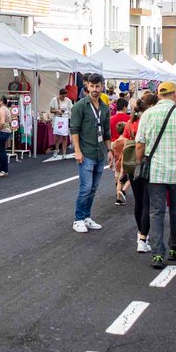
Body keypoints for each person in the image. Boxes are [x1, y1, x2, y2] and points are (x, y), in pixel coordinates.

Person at [135, 81, 176, 269]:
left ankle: (157, 253)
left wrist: (141, 162)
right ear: (175, 95)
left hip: (155, 172)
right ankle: (175, 247)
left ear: (158, 95)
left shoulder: (147, 115)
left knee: (156, 211)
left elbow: (139, 144)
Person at [69, 73, 112, 234]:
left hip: (100, 152)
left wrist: (109, 151)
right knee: (85, 187)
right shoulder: (80, 106)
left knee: (93, 188)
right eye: (92, 86)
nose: (94, 89)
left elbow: (106, 132)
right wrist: (77, 151)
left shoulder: (105, 108)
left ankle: (87, 216)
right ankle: (78, 219)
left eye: (97, 86)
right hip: (86, 153)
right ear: (87, 86)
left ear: (102, 86)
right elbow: (74, 130)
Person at [124, 93, 158, 251]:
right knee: (147, 202)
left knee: (138, 201)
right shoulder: (150, 121)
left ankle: (140, 234)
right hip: (147, 162)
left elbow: (124, 142)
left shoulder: (130, 123)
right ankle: (143, 238)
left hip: (131, 164)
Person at [47, 88, 73, 161]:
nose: (64, 97)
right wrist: (57, 111)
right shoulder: (54, 100)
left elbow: (72, 108)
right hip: (58, 118)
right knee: (57, 136)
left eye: (65, 96)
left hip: (65, 118)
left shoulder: (68, 100)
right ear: (60, 94)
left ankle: (64, 153)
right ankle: (56, 149)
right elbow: (51, 110)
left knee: (65, 137)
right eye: (62, 96)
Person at [112, 122, 129, 205]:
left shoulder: (114, 142)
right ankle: (123, 190)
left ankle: (118, 198)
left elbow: (113, 154)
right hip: (125, 162)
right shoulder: (126, 141)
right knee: (131, 179)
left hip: (117, 163)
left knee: (119, 181)